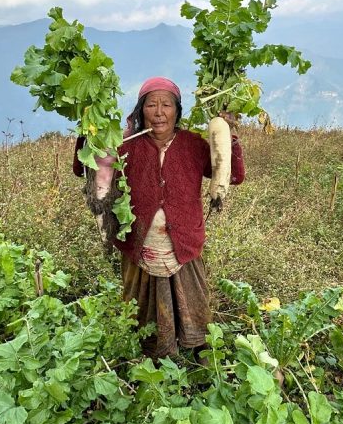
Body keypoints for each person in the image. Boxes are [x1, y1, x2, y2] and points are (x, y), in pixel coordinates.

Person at [73, 76, 245, 359]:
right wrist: (89, 135)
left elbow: (234, 176)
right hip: (138, 244)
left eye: (166, 104)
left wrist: (229, 136)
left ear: (177, 110)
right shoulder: (126, 145)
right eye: (151, 104)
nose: (159, 111)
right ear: (141, 110)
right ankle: (148, 357)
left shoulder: (193, 144)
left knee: (192, 306)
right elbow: (84, 170)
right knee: (141, 312)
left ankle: (196, 356)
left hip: (184, 243)